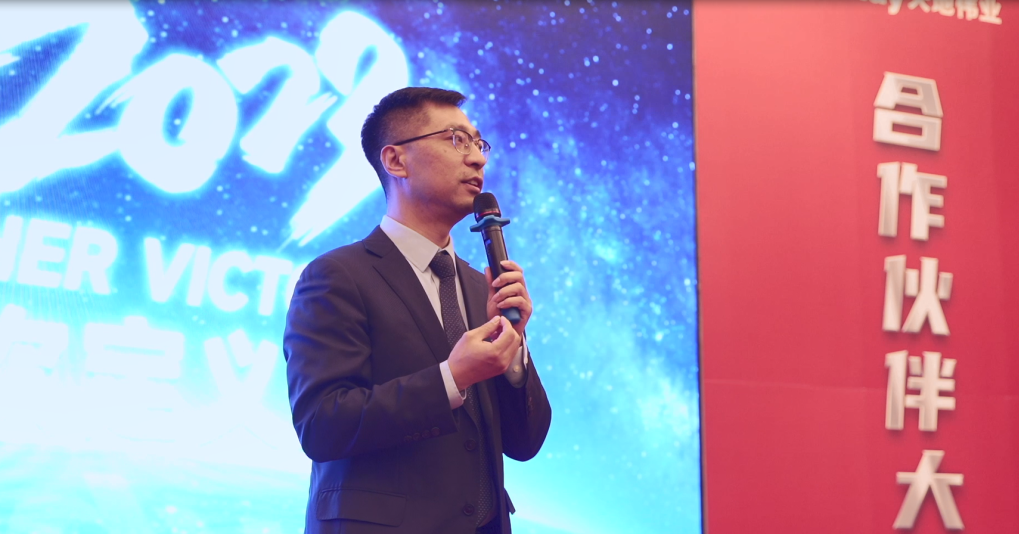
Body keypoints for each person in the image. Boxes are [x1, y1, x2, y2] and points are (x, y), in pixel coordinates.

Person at [283, 87, 552, 534]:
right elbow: (322, 425)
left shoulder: (479, 286)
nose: (477, 159)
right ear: (396, 161)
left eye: (478, 143)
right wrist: (452, 377)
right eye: (456, 140)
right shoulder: (337, 276)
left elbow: (525, 443)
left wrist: (514, 353)